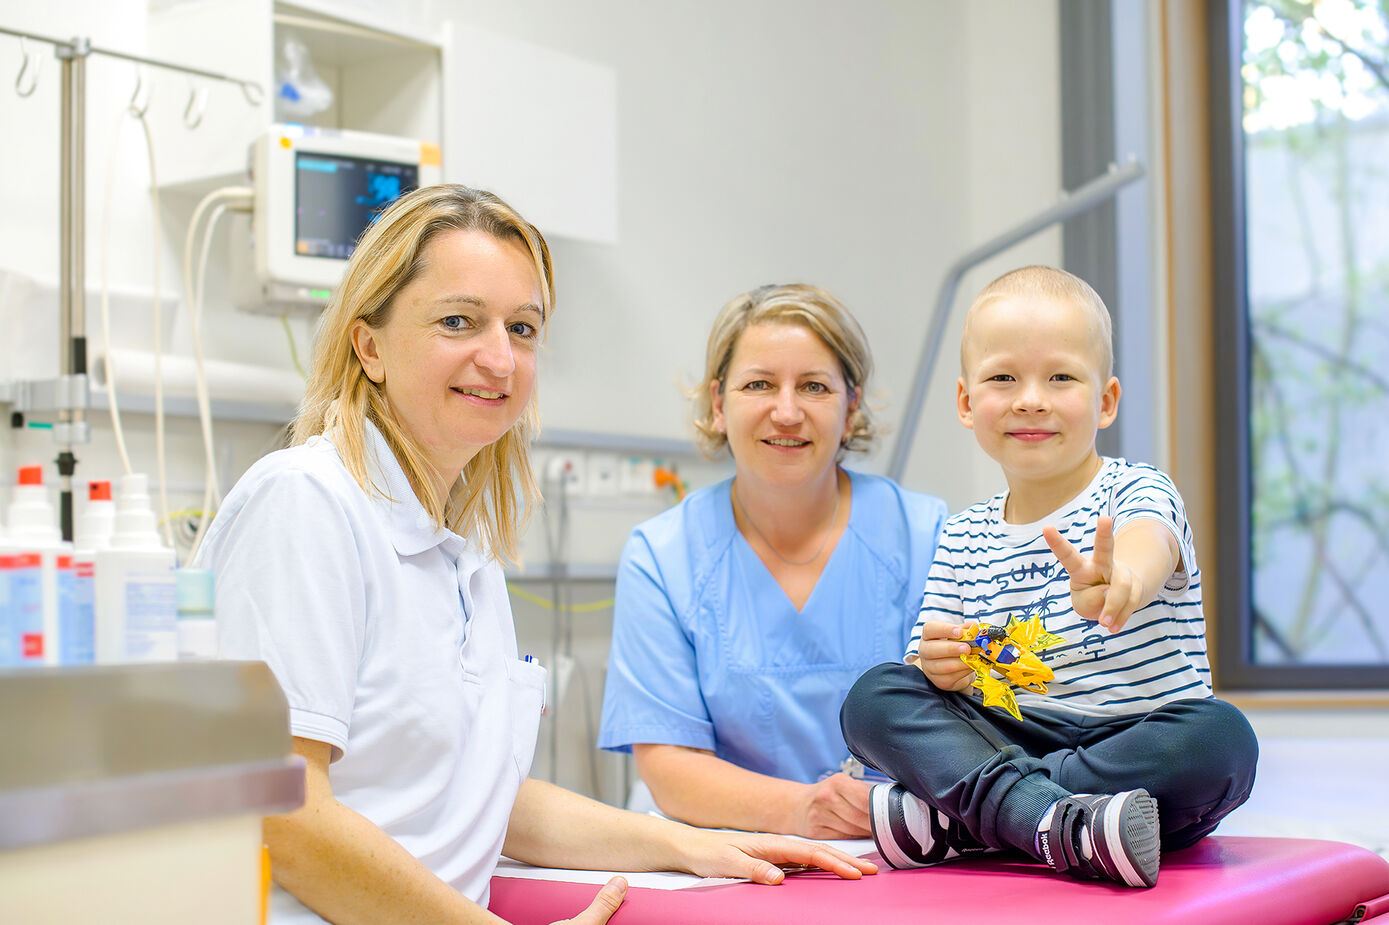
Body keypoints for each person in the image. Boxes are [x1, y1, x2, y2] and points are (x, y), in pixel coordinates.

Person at [195, 186, 876, 925]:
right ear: (369, 345)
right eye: (458, 321)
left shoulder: (461, 551)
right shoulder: (305, 501)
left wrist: (690, 845)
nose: (498, 357)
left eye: (521, 328)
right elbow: (281, 809)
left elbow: (483, 794)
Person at [839, 265, 1258, 888]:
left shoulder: (1138, 490)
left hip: (1134, 738)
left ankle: (975, 821)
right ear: (966, 402)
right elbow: (929, 670)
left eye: (1061, 377)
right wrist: (937, 666)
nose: (1030, 397)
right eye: (1003, 377)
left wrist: (1123, 582)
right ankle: (1055, 823)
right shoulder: (961, 532)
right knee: (875, 697)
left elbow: (1150, 544)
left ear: (1106, 400)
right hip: (1011, 736)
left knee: (1221, 740)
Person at [598, 283, 949, 839]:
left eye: (813, 387)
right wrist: (806, 810)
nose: (786, 412)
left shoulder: (928, 536)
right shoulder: (663, 557)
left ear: (851, 406)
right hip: (726, 851)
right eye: (759, 384)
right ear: (718, 404)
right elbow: (668, 764)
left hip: (900, 847)